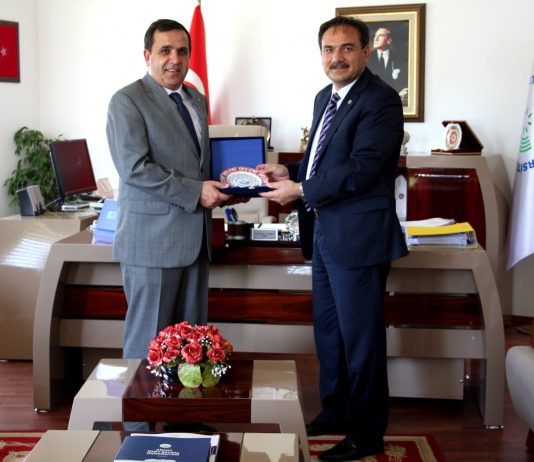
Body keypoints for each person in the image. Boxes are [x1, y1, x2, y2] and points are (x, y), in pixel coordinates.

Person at [257, 16, 408, 461]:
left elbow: (361, 168)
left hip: (359, 237)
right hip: (324, 232)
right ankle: (336, 412)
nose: (336, 57)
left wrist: (301, 189)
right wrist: (290, 171)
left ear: (366, 52)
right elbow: (320, 160)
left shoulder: (381, 100)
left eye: (346, 48)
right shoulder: (325, 97)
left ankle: (366, 433)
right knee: (329, 333)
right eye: (328, 49)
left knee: (361, 339)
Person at [106, 19, 234, 360]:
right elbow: (135, 168)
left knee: (191, 345)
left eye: (182, 51)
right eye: (165, 50)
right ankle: (139, 401)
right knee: (148, 345)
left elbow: (197, 164)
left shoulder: (196, 100)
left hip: (196, 241)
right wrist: (197, 192)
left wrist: (231, 186)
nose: (175, 59)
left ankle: (183, 400)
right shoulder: (127, 100)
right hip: (152, 243)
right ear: (147, 55)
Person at [368, 27, 408, 104]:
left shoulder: (400, 58)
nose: (375, 39)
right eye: (375, 35)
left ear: (389, 40)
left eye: (381, 35)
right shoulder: (366, 59)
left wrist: (405, 90)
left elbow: (406, 81)